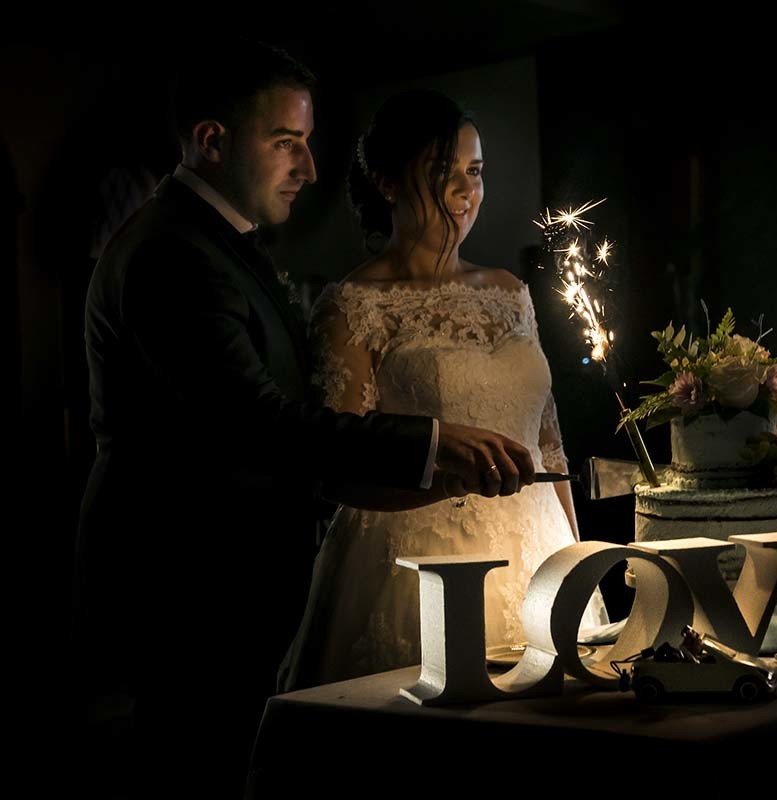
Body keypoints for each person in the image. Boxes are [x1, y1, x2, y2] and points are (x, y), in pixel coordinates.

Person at [74, 41, 533, 795]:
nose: (310, 167)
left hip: (226, 592)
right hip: (187, 596)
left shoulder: (219, 242)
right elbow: (258, 424)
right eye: (286, 142)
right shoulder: (170, 254)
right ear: (212, 139)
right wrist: (432, 442)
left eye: (308, 142)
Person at [281, 89, 607, 690]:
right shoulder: (353, 306)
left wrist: (575, 556)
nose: (464, 191)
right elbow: (338, 464)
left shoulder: (510, 292)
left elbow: (549, 444)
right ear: (386, 182)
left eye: (474, 172)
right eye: (441, 172)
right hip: (414, 564)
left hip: (538, 553)